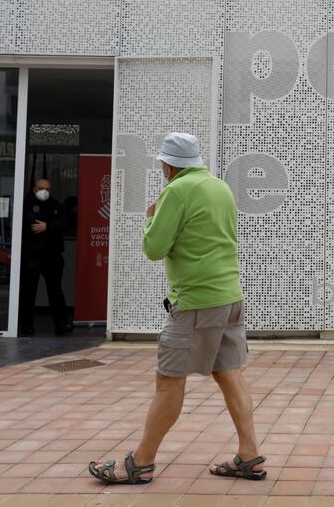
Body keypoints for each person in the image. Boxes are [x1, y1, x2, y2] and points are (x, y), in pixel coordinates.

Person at [88, 132, 266, 485]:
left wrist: (151, 216)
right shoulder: (220, 187)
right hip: (229, 295)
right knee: (230, 373)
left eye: (162, 166)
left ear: (168, 165)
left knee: (168, 381)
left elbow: (154, 248)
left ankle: (140, 463)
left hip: (196, 302)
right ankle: (250, 456)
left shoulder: (176, 191)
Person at [18, 178, 72, 337]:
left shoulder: (56, 205)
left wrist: (47, 226)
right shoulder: (26, 204)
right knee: (28, 292)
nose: (44, 191)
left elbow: (65, 223)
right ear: (34, 189)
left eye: (47, 189)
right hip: (32, 255)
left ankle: (62, 325)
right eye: (41, 188)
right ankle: (26, 326)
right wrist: (52, 224)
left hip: (52, 255)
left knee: (55, 291)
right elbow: (30, 221)